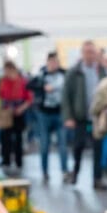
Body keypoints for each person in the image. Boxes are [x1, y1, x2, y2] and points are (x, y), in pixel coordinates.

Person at [62, 40, 107, 191]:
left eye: (92, 52)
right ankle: (75, 172)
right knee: (79, 146)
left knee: (98, 148)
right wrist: (68, 117)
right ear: (82, 54)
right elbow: (66, 96)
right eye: (87, 52)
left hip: (97, 117)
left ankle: (97, 179)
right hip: (80, 117)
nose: (90, 55)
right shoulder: (74, 72)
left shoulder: (101, 71)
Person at [28, 52, 68, 183]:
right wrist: (42, 86)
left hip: (60, 112)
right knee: (44, 144)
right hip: (44, 113)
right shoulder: (41, 74)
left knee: (63, 144)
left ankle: (64, 170)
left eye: (56, 62)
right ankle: (45, 171)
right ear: (48, 62)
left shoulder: (64, 74)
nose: (54, 64)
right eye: (51, 62)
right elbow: (29, 85)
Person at [0, 60, 32, 172]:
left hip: (18, 113)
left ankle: (18, 161)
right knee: (5, 137)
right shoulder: (2, 82)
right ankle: (5, 159)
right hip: (6, 113)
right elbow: (0, 97)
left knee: (18, 138)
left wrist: (21, 108)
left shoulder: (22, 82)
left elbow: (29, 99)